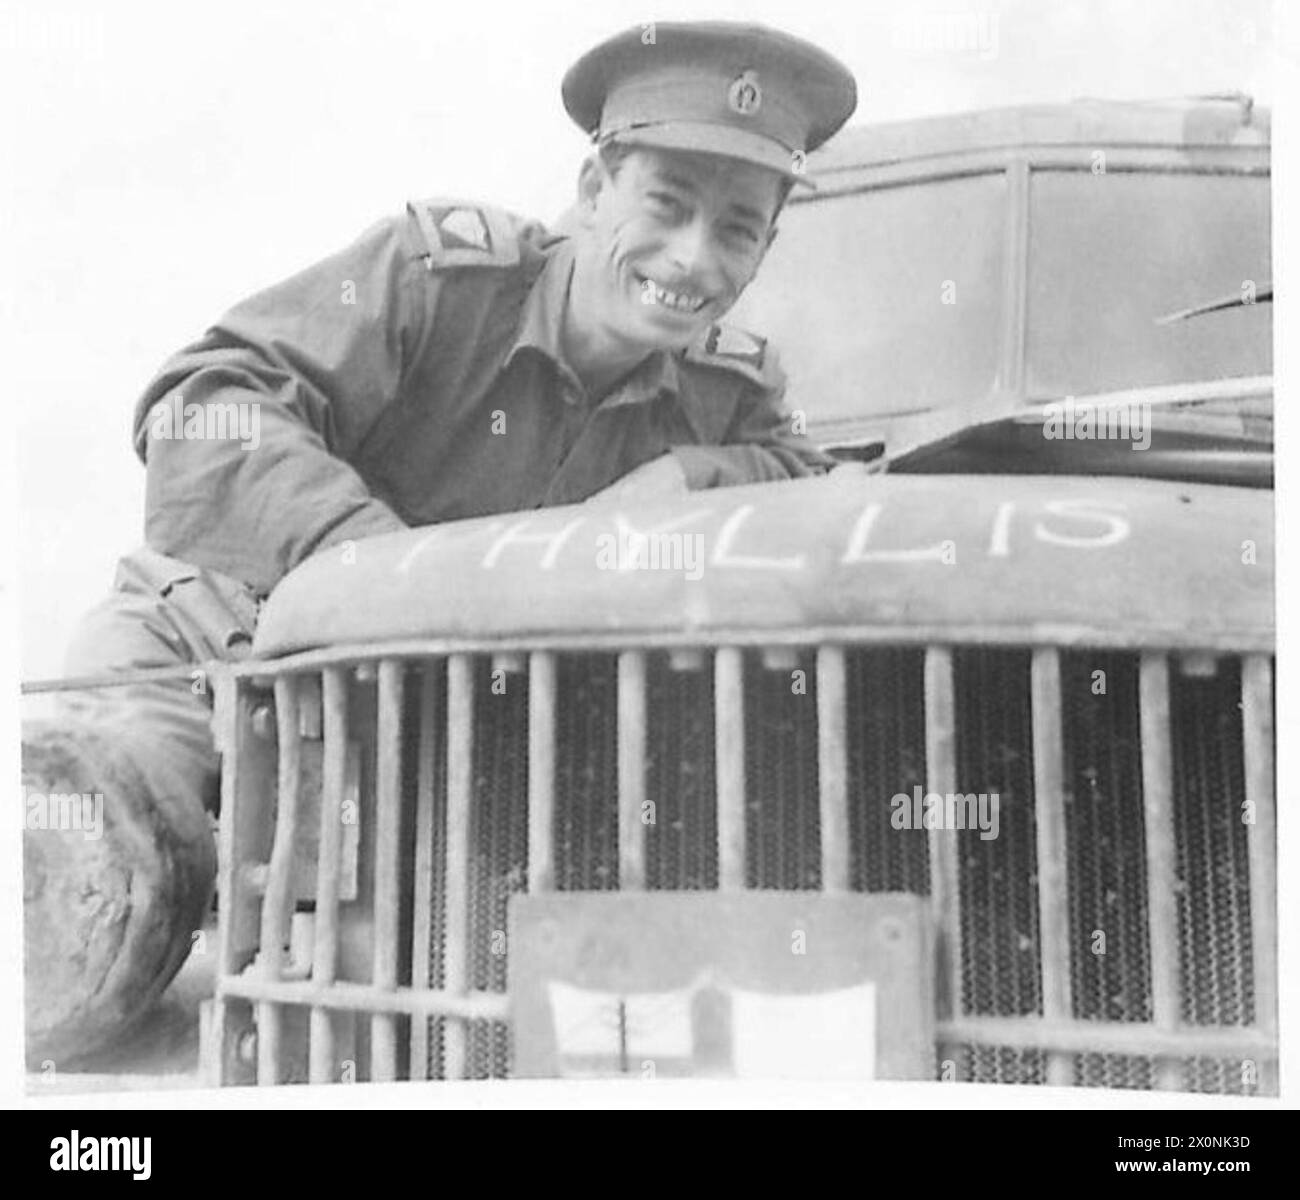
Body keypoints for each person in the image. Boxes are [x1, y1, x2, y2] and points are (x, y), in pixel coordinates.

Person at [22, 20, 858, 1065]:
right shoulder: (433, 278)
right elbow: (201, 406)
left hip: (445, 737)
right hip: (215, 658)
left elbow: (812, 477)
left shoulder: (728, 393)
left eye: (737, 229)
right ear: (595, 187)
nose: (693, 259)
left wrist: (689, 477)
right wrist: (388, 579)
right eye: (667, 206)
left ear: (766, 247)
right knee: (97, 879)